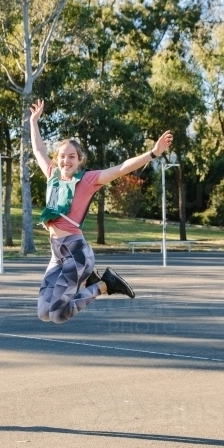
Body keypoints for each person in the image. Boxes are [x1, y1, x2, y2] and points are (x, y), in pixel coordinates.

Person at [29, 99, 173, 324]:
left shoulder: (87, 180)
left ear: (79, 160)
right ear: (57, 159)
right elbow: (38, 149)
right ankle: (98, 281)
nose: (66, 160)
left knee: (57, 315)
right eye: (62, 156)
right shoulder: (51, 174)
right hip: (58, 254)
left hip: (77, 254)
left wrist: (153, 153)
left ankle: (104, 285)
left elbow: (121, 168)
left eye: (72, 157)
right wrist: (33, 122)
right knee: (43, 313)